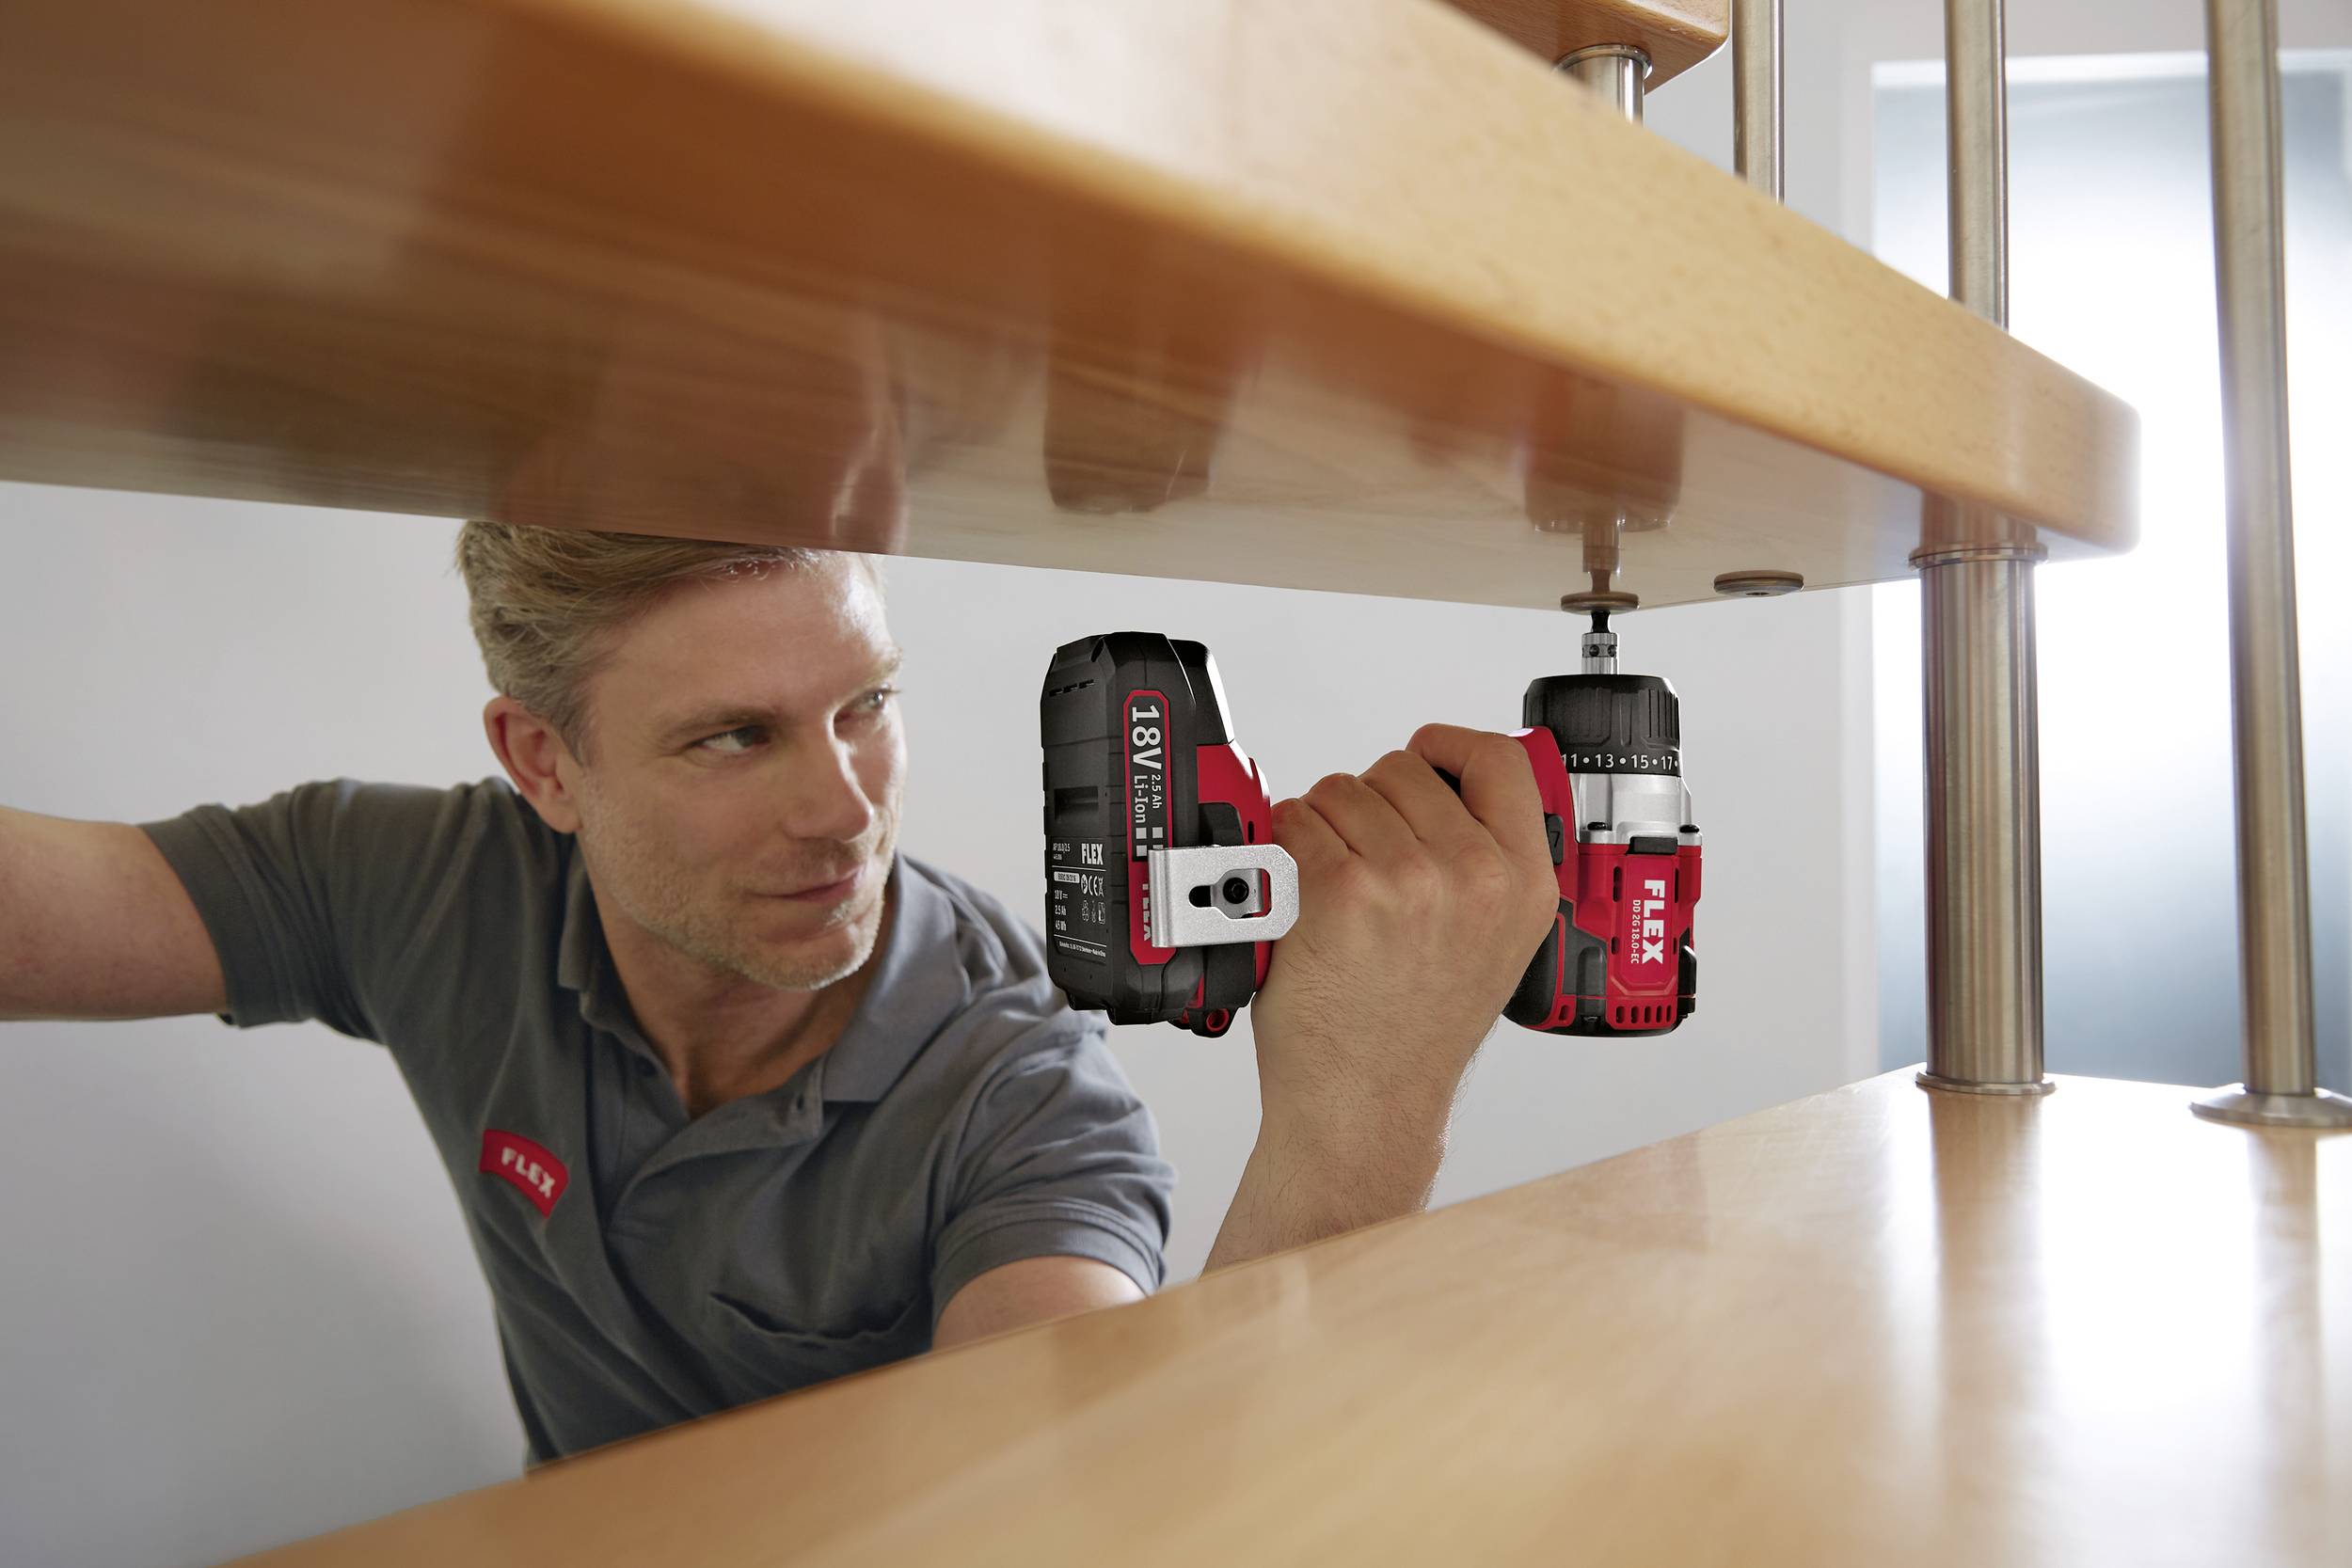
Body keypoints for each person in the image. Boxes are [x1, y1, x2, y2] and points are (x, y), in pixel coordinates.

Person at [0, 522, 1559, 1463]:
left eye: (865, 704)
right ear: (546, 763)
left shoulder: (1021, 1100)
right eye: (735, 737)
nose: (845, 810)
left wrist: (1363, 1110)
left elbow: (1100, 1517)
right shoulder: (427, 884)